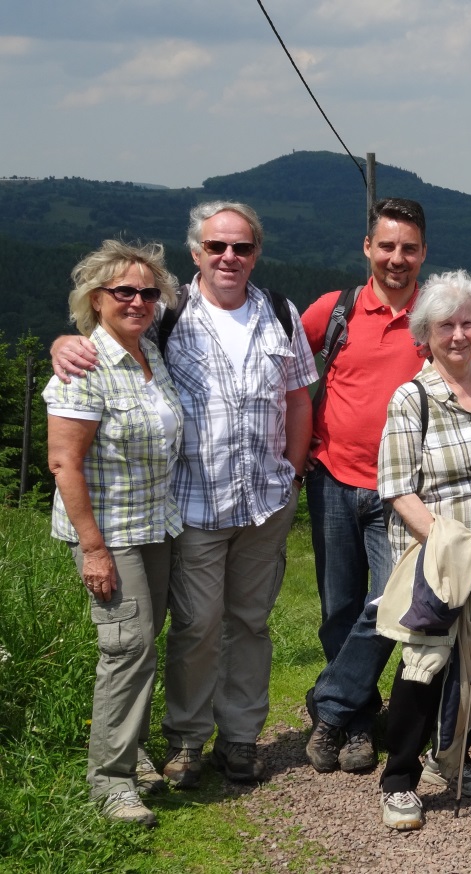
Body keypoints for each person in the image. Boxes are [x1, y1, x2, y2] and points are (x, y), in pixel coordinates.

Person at [51, 201, 317, 787]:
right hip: (193, 503)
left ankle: (241, 738)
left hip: (266, 501)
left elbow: (299, 397)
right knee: (198, 625)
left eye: (241, 248)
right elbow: (107, 339)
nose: (229, 257)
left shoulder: (279, 311)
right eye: (216, 247)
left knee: (251, 622)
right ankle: (188, 740)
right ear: (195, 252)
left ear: (255, 254)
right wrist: (62, 345)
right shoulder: (168, 312)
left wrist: (293, 474)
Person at [305, 269, 471, 831]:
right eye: (445, 325)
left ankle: (449, 761)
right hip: (436, 559)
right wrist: (460, 553)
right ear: (424, 335)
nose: (458, 334)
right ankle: (398, 778)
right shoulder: (412, 399)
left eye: (467, 323)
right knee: (425, 663)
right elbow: (397, 489)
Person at [44, 241, 183, 827]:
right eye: (123, 291)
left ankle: (133, 749)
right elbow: (63, 465)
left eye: (148, 292)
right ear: (95, 299)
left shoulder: (149, 350)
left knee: (144, 643)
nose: (138, 301)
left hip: (156, 524)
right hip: (112, 534)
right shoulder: (86, 365)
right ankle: (111, 782)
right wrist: (93, 549)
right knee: (126, 649)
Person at [300, 197, 428, 772]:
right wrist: (294, 445)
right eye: (386, 246)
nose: (396, 259)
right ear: (367, 249)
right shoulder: (333, 311)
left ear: (423, 253)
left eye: (408, 248)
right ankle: (356, 723)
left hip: (401, 489)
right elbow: (285, 377)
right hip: (330, 477)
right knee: (339, 607)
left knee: (387, 603)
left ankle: (327, 707)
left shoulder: (436, 315)